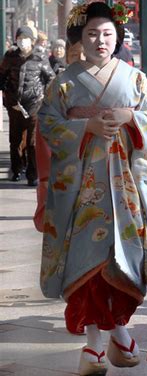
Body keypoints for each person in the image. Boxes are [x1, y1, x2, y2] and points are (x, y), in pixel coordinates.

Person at [38, 2, 147, 376]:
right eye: (92, 33)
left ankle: (121, 332)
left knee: (123, 259)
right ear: (81, 37)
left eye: (108, 33)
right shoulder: (63, 82)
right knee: (86, 265)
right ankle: (95, 343)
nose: (100, 40)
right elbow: (48, 122)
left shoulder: (135, 79)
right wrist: (86, 128)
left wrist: (130, 117)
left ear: (118, 38)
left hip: (123, 186)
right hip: (82, 192)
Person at [34, 29, 85, 232]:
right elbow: (46, 131)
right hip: (64, 170)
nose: (80, 59)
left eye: (85, 54)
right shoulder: (57, 87)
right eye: (75, 54)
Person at [0, 26, 56, 185]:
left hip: (34, 105)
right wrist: (6, 94)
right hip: (14, 105)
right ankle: (16, 170)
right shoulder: (10, 56)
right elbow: (1, 76)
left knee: (32, 142)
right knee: (15, 139)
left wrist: (44, 96)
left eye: (25, 38)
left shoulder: (40, 57)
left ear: (32, 41)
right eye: (19, 38)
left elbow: (50, 78)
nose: (22, 41)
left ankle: (33, 175)